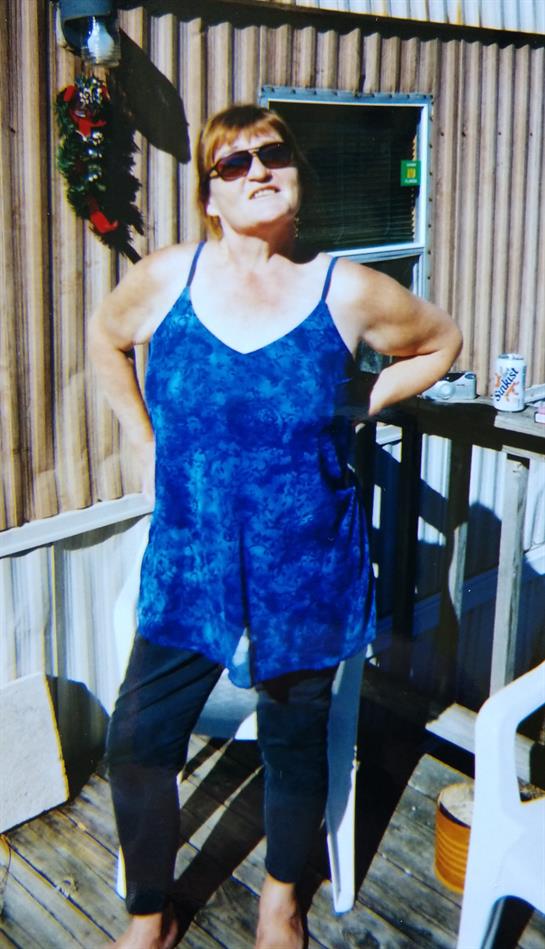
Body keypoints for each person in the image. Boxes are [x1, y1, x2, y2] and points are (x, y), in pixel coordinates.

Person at [88, 103, 462, 949]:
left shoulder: (346, 289)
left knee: (294, 745)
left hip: (307, 565)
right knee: (138, 740)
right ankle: (151, 913)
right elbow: (105, 338)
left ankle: (280, 903)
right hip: (189, 563)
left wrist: (360, 398)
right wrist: (145, 443)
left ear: (296, 175)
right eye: (232, 162)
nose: (257, 169)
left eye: (273, 154)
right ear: (209, 195)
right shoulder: (167, 279)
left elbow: (440, 341)